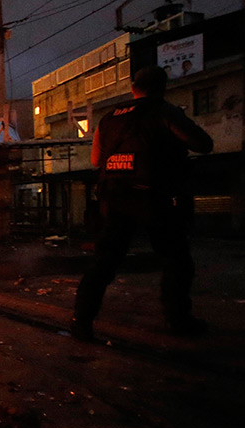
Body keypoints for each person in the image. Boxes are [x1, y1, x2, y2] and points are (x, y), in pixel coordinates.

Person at [71, 66, 213, 342]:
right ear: (163, 87)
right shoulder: (165, 112)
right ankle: (178, 320)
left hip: (115, 199)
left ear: (132, 87)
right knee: (176, 261)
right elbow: (202, 144)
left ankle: (81, 321)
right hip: (155, 198)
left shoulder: (109, 117)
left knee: (104, 263)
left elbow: (95, 160)